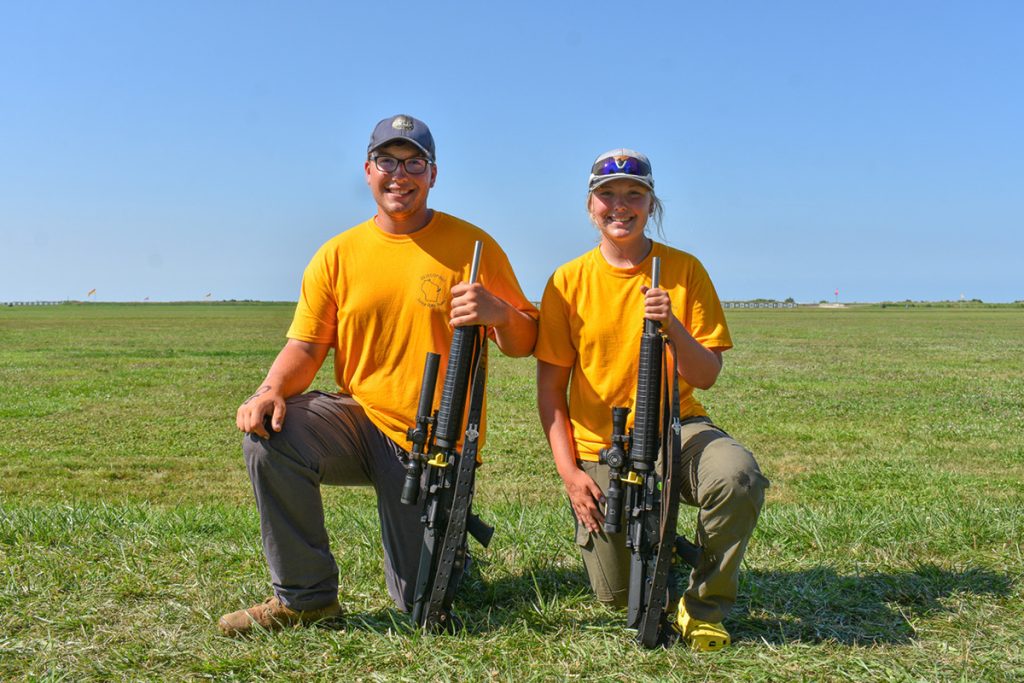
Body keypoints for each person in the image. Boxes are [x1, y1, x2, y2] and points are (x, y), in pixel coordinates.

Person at [219, 114, 538, 636]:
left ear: (433, 175)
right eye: (388, 161)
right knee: (269, 436)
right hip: (360, 419)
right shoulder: (337, 254)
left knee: (421, 603)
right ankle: (305, 599)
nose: (400, 174)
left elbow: (525, 341)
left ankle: (449, 553)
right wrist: (270, 390)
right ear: (367, 170)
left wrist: (498, 312)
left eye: (414, 163)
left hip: (437, 438)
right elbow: (305, 345)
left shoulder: (473, 245)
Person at [534, 149, 768, 651]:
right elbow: (551, 390)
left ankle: (704, 604)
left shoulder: (683, 271)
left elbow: (705, 376)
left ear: (651, 202)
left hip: (678, 428)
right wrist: (571, 474)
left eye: (634, 196)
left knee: (737, 476)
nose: (621, 207)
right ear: (590, 205)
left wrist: (673, 328)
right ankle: (663, 554)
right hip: (603, 446)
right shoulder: (566, 281)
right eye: (608, 196)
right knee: (619, 595)